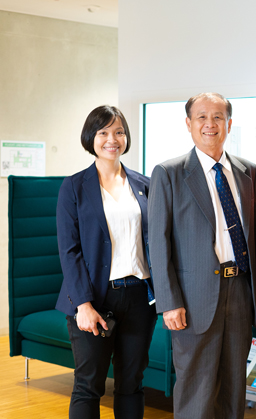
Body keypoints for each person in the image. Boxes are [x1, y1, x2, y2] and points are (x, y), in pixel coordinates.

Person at [148, 92, 256, 419]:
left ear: (229, 124)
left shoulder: (248, 172)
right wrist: (169, 301)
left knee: (233, 388)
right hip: (191, 298)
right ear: (188, 124)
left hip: (240, 292)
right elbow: (157, 243)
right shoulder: (168, 173)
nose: (210, 124)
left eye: (217, 117)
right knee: (195, 389)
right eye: (201, 117)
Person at [56, 105, 157, 419]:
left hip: (140, 298)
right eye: (103, 133)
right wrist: (83, 305)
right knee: (88, 386)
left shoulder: (145, 184)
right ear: (91, 137)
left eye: (119, 132)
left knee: (132, 384)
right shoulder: (74, 187)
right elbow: (69, 251)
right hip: (95, 297)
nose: (112, 139)